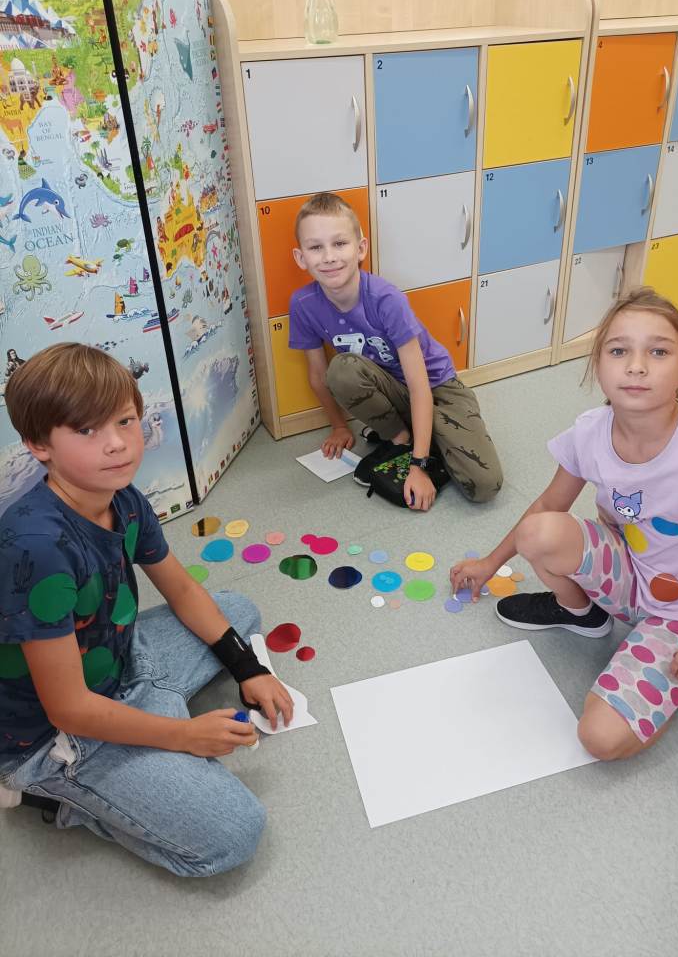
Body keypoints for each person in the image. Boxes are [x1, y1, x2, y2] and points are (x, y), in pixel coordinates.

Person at [0, 343, 293, 876]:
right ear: (39, 445)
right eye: (86, 430)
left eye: (125, 420)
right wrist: (184, 735)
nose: (117, 443)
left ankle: (153, 713)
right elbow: (68, 708)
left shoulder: (123, 497)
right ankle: (58, 792)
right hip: (53, 734)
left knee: (237, 611)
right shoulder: (36, 548)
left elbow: (181, 589)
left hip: (118, 660)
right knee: (234, 834)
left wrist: (247, 667)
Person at [450, 288, 678, 760]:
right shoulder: (590, 430)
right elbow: (548, 504)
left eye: (658, 351)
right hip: (625, 573)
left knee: (599, 738)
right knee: (540, 531)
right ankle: (584, 615)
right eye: (619, 351)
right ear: (598, 365)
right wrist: (490, 563)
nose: (636, 366)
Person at [288, 192, 503, 509]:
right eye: (315, 247)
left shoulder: (386, 299)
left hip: (438, 388)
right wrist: (339, 426)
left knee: (484, 485)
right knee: (342, 370)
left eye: (340, 243)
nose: (329, 257)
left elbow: (419, 384)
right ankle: (402, 439)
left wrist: (419, 466)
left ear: (361, 248)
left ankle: (425, 442)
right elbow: (319, 375)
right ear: (300, 257)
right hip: (391, 391)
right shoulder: (303, 304)